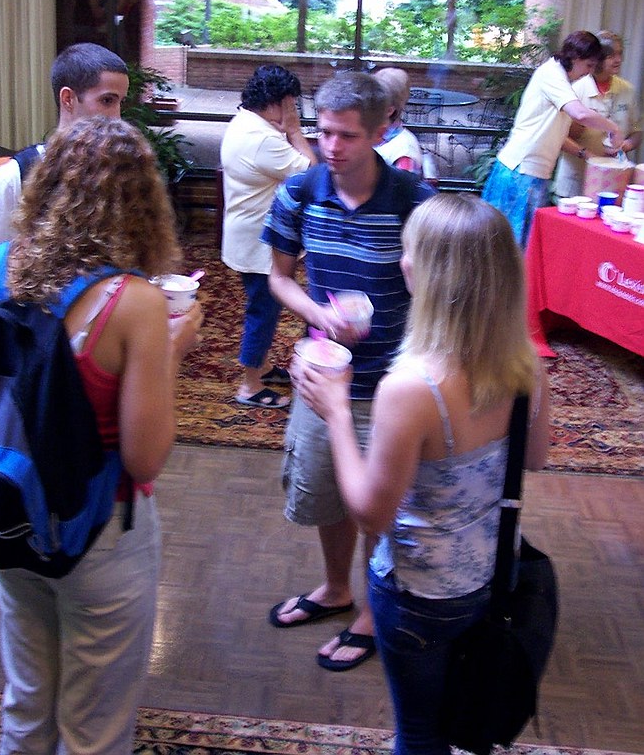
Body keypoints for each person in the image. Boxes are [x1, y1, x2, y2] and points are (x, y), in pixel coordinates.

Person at [293, 193, 550, 754]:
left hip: (417, 592)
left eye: (408, 252)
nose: (401, 261)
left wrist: (337, 412)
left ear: (423, 273)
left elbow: (371, 513)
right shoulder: (525, 361)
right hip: (487, 574)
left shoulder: (412, 387)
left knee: (419, 734)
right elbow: (534, 458)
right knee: (459, 716)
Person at [0, 116, 204, 755]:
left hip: (14, 508)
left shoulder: (0, 268)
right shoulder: (132, 303)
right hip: (97, 527)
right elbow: (144, 455)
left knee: (27, 699)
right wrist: (172, 350)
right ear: (140, 201)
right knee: (94, 726)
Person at [262, 70, 435, 671]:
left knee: (377, 507)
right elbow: (280, 277)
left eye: (348, 137)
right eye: (323, 132)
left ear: (383, 130)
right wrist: (319, 316)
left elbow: (437, 295)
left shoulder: (417, 203)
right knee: (329, 497)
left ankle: (370, 609)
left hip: (391, 388)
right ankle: (337, 588)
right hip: (323, 379)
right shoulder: (300, 193)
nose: (331, 148)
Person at [0, 42, 129, 299]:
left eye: (120, 102)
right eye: (107, 100)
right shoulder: (18, 175)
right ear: (68, 98)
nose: (117, 117)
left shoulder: (117, 173)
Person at [221, 64, 317, 408]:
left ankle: (260, 366)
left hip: (248, 235)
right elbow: (313, 174)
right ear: (276, 103)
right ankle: (249, 386)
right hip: (258, 243)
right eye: (292, 104)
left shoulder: (247, 123)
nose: (294, 112)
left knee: (264, 307)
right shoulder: (262, 139)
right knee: (262, 310)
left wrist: (284, 126)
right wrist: (294, 130)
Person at [482, 30, 624, 246]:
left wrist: (586, 154)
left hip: (531, 172)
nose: (587, 73)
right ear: (575, 58)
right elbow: (581, 114)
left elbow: (554, 133)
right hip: (521, 171)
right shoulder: (552, 74)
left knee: (519, 248)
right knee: (507, 247)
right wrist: (613, 128)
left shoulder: (560, 79)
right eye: (587, 66)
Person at [553, 30, 641, 198]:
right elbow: (560, 137)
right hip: (576, 181)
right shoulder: (575, 89)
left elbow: (637, 130)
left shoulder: (628, 90)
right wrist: (588, 155)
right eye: (611, 55)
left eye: (620, 54)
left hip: (612, 182)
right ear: (597, 58)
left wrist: (626, 145)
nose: (618, 60)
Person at [373, 66, 424, 174]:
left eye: (371, 103)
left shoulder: (404, 151)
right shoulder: (371, 135)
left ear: (389, 110)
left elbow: (404, 189)